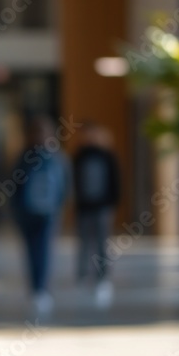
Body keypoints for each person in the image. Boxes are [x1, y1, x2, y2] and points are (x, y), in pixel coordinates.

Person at [11, 114, 69, 319]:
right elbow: (13, 186)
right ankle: (34, 287)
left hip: (48, 213)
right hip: (27, 213)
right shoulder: (23, 159)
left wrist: (59, 207)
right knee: (31, 251)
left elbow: (64, 185)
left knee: (44, 250)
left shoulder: (57, 158)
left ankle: (41, 289)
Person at [72, 122, 121, 303]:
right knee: (84, 243)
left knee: (102, 244)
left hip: (102, 206)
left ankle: (102, 278)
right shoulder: (79, 156)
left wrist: (112, 203)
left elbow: (115, 181)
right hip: (84, 207)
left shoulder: (107, 156)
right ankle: (83, 275)